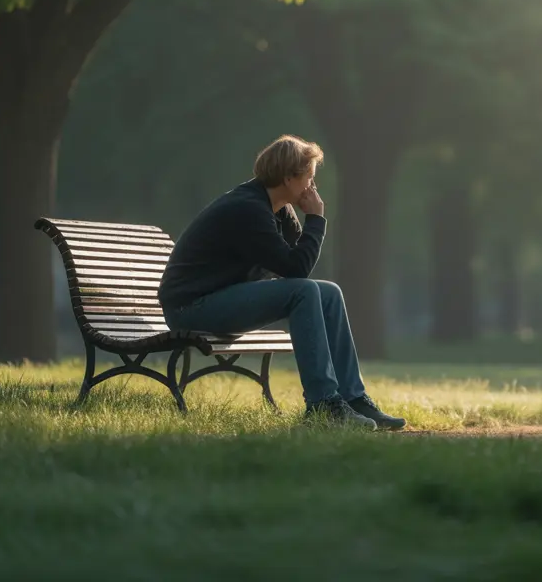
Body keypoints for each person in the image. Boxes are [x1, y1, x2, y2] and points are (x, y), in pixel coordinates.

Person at [158, 135, 405, 431]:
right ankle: (323, 403)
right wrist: (315, 218)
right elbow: (296, 270)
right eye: (309, 177)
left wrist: (309, 222)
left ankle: (353, 398)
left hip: (222, 298)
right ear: (289, 177)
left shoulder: (278, 209)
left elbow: (297, 263)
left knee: (328, 292)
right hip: (192, 307)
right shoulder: (248, 208)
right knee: (304, 291)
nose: (313, 186)